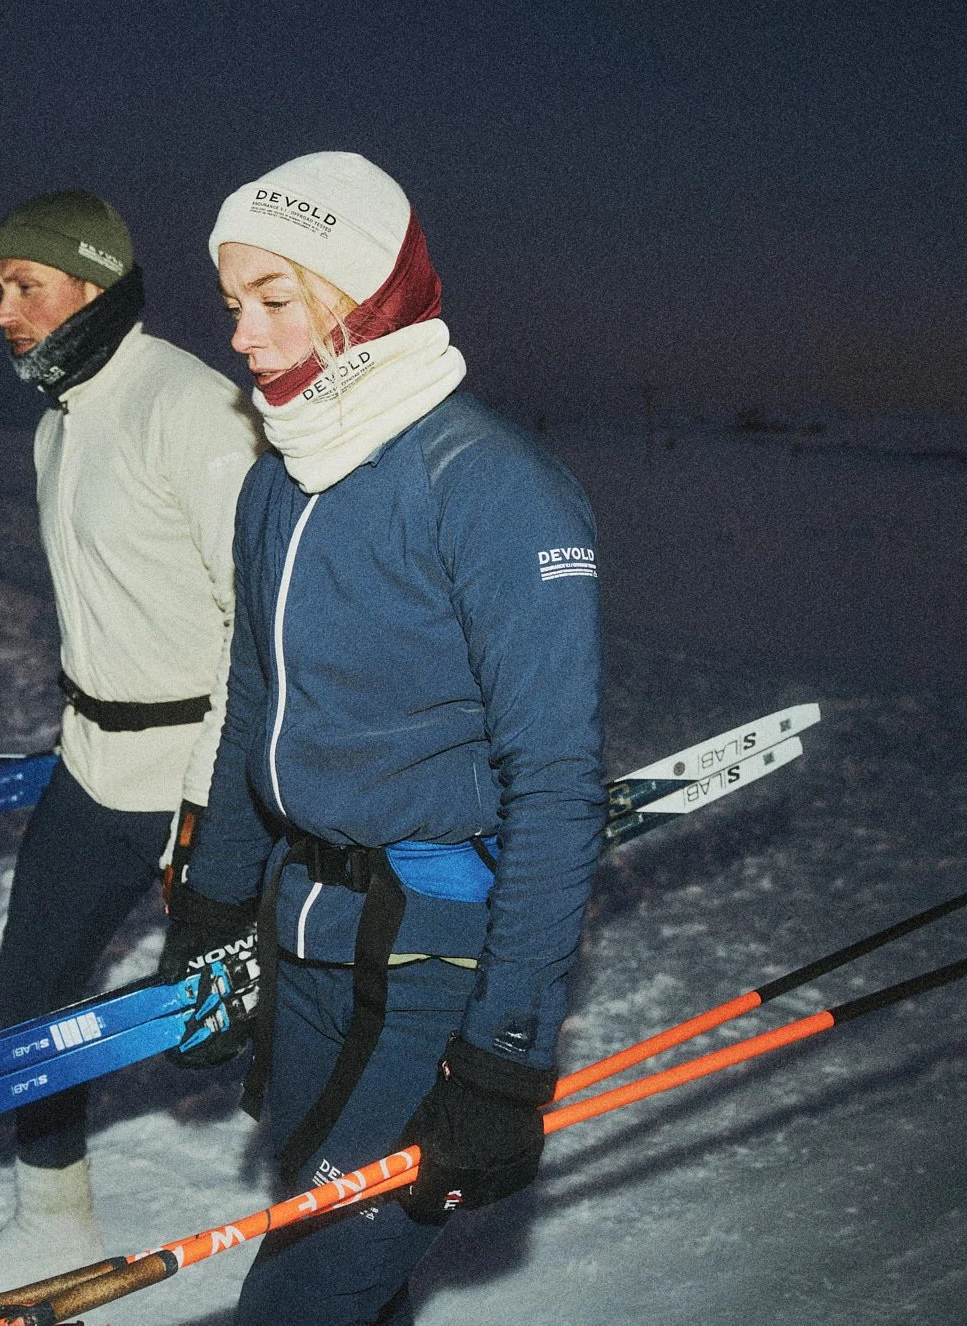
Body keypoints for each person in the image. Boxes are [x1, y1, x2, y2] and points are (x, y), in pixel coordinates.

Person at [156, 152, 605, 1324]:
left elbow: (556, 784)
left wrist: (504, 1053)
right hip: (303, 929)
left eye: (274, 299)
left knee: (301, 1294)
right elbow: (255, 702)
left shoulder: (493, 488)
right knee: (343, 1267)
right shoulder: (279, 481)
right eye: (231, 304)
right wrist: (212, 910)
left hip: (434, 953)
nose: (241, 336)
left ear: (361, 299)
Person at [0, 191, 262, 1293]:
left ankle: (355, 1210)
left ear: (93, 285)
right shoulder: (56, 421)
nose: (0, 311)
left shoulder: (194, 407)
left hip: (204, 774)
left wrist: (214, 805)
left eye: (24, 286)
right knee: (30, 988)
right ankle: (52, 1219)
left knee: (235, 1017)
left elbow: (253, 631)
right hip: (93, 767)